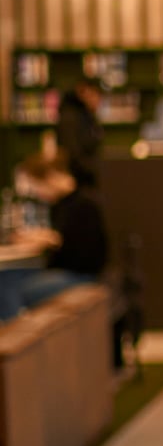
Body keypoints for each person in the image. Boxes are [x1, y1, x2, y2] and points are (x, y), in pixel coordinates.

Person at [0, 153, 109, 321]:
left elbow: (77, 246)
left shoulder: (82, 204)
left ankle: (16, 337)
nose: (38, 193)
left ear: (51, 177)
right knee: (5, 277)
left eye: (38, 186)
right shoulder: (64, 204)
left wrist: (48, 239)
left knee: (11, 289)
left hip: (79, 275)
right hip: (65, 270)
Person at [57, 78, 104, 189]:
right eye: (94, 94)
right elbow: (73, 153)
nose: (98, 100)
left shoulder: (86, 116)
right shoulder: (70, 117)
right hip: (78, 181)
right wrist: (94, 171)